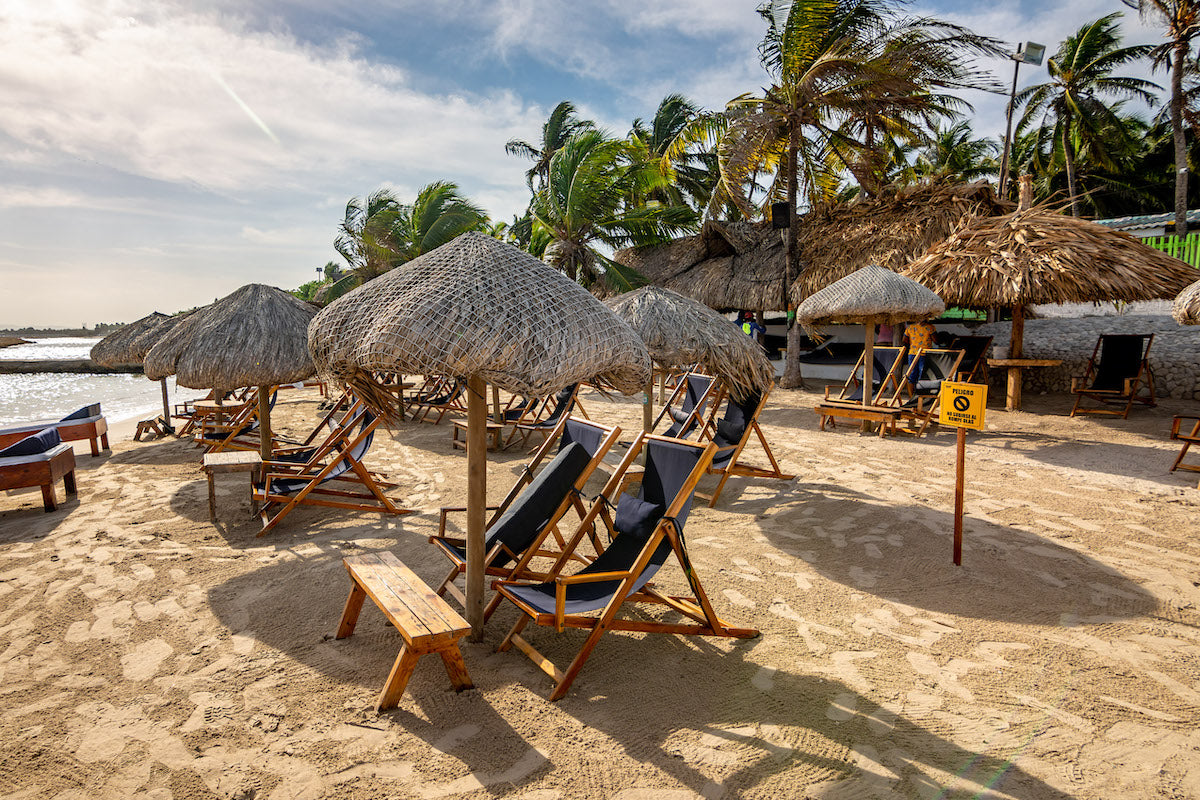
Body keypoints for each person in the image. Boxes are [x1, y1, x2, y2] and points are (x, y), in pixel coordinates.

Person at [902, 319, 937, 384]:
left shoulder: (910, 327)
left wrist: (913, 343)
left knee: (912, 373)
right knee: (923, 374)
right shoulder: (930, 327)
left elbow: (904, 340)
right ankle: (920, 388)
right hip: (925, 353)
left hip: (912, 353)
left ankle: (912, 389)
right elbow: (935, 340)